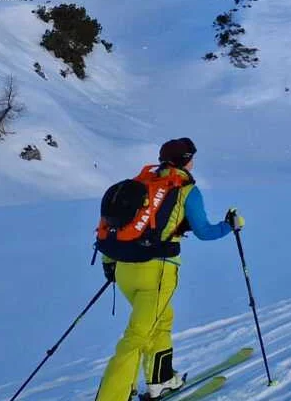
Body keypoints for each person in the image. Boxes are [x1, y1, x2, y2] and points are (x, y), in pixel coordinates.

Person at [95, 138, 243, 401]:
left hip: (124, 270)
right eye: (192, 157)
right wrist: (230, 225)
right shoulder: (186, 189)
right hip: (158, 272)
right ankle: (112, 397)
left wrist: (109, 264)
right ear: (186, 160)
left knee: (162, 321)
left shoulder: (141, 184)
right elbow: (205, 232)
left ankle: (161, 380)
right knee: (137, 336)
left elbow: (114, 224)